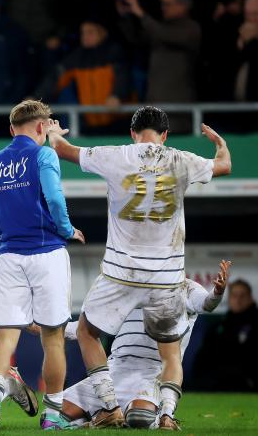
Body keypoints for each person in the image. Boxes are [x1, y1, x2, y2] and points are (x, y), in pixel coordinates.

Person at [47, 106, 232, 427]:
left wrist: (53, 134)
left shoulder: (116, 155)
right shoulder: (182, 159)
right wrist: (221, 145)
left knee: (88, 333)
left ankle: (108, 408)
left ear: (133, 133)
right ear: (164, 135)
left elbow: (62, 151)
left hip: (122, 272)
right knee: (171, 354)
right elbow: (224, 166)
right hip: (166, 276)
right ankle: (168, 416)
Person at [0, 99, 84, 430]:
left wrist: (11, 234)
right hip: (47, 251)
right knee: (52, 339)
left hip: (10, 255)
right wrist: (67, 230)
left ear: (12, 130)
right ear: (41, 127)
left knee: (5, 337)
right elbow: (54, 199)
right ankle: (52, 416)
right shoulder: (44, 154)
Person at [62, 260, 232, 430]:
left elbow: (206, 303)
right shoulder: (125, 290)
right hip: (115, 369)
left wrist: (217, 292)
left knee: (139, 417)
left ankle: (156, 416)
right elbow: (86, 327)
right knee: (56, 415)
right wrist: (49, 329)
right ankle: (101, 418)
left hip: (152, 372)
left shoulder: (184, 287)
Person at [117, 0, 200, 132]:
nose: (163, 7)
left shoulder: (191, 28)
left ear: (182, 6)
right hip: (155, 106)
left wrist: (141, 13)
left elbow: (162, 34)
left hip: (178, 110)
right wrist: (126, 16)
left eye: (168, 4)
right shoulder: (159, 28)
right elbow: (136, 40)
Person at [34, 19, 131, 132]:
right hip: (91, 124)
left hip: (117, 123)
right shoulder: (77, 57)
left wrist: (117, 95)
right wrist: (36, 98)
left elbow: (123, 77)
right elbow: (56, 77)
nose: (85, 36)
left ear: (103, 33)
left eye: (90, 32)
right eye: (83, 33)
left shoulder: (115, 53)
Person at [193, 278, 258, 391]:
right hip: (218, 381)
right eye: (234, 296)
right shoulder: (218, 327)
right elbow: (204, 358)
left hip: (249, 381)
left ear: (251, 298)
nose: (238, 300)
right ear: (229, 299)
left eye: (242, 296)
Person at [234, 0, 258, 102]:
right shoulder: (237, 32)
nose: (252, 19)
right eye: (248, 14)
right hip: (239, 107)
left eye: (256, 14)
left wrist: (252, 42)